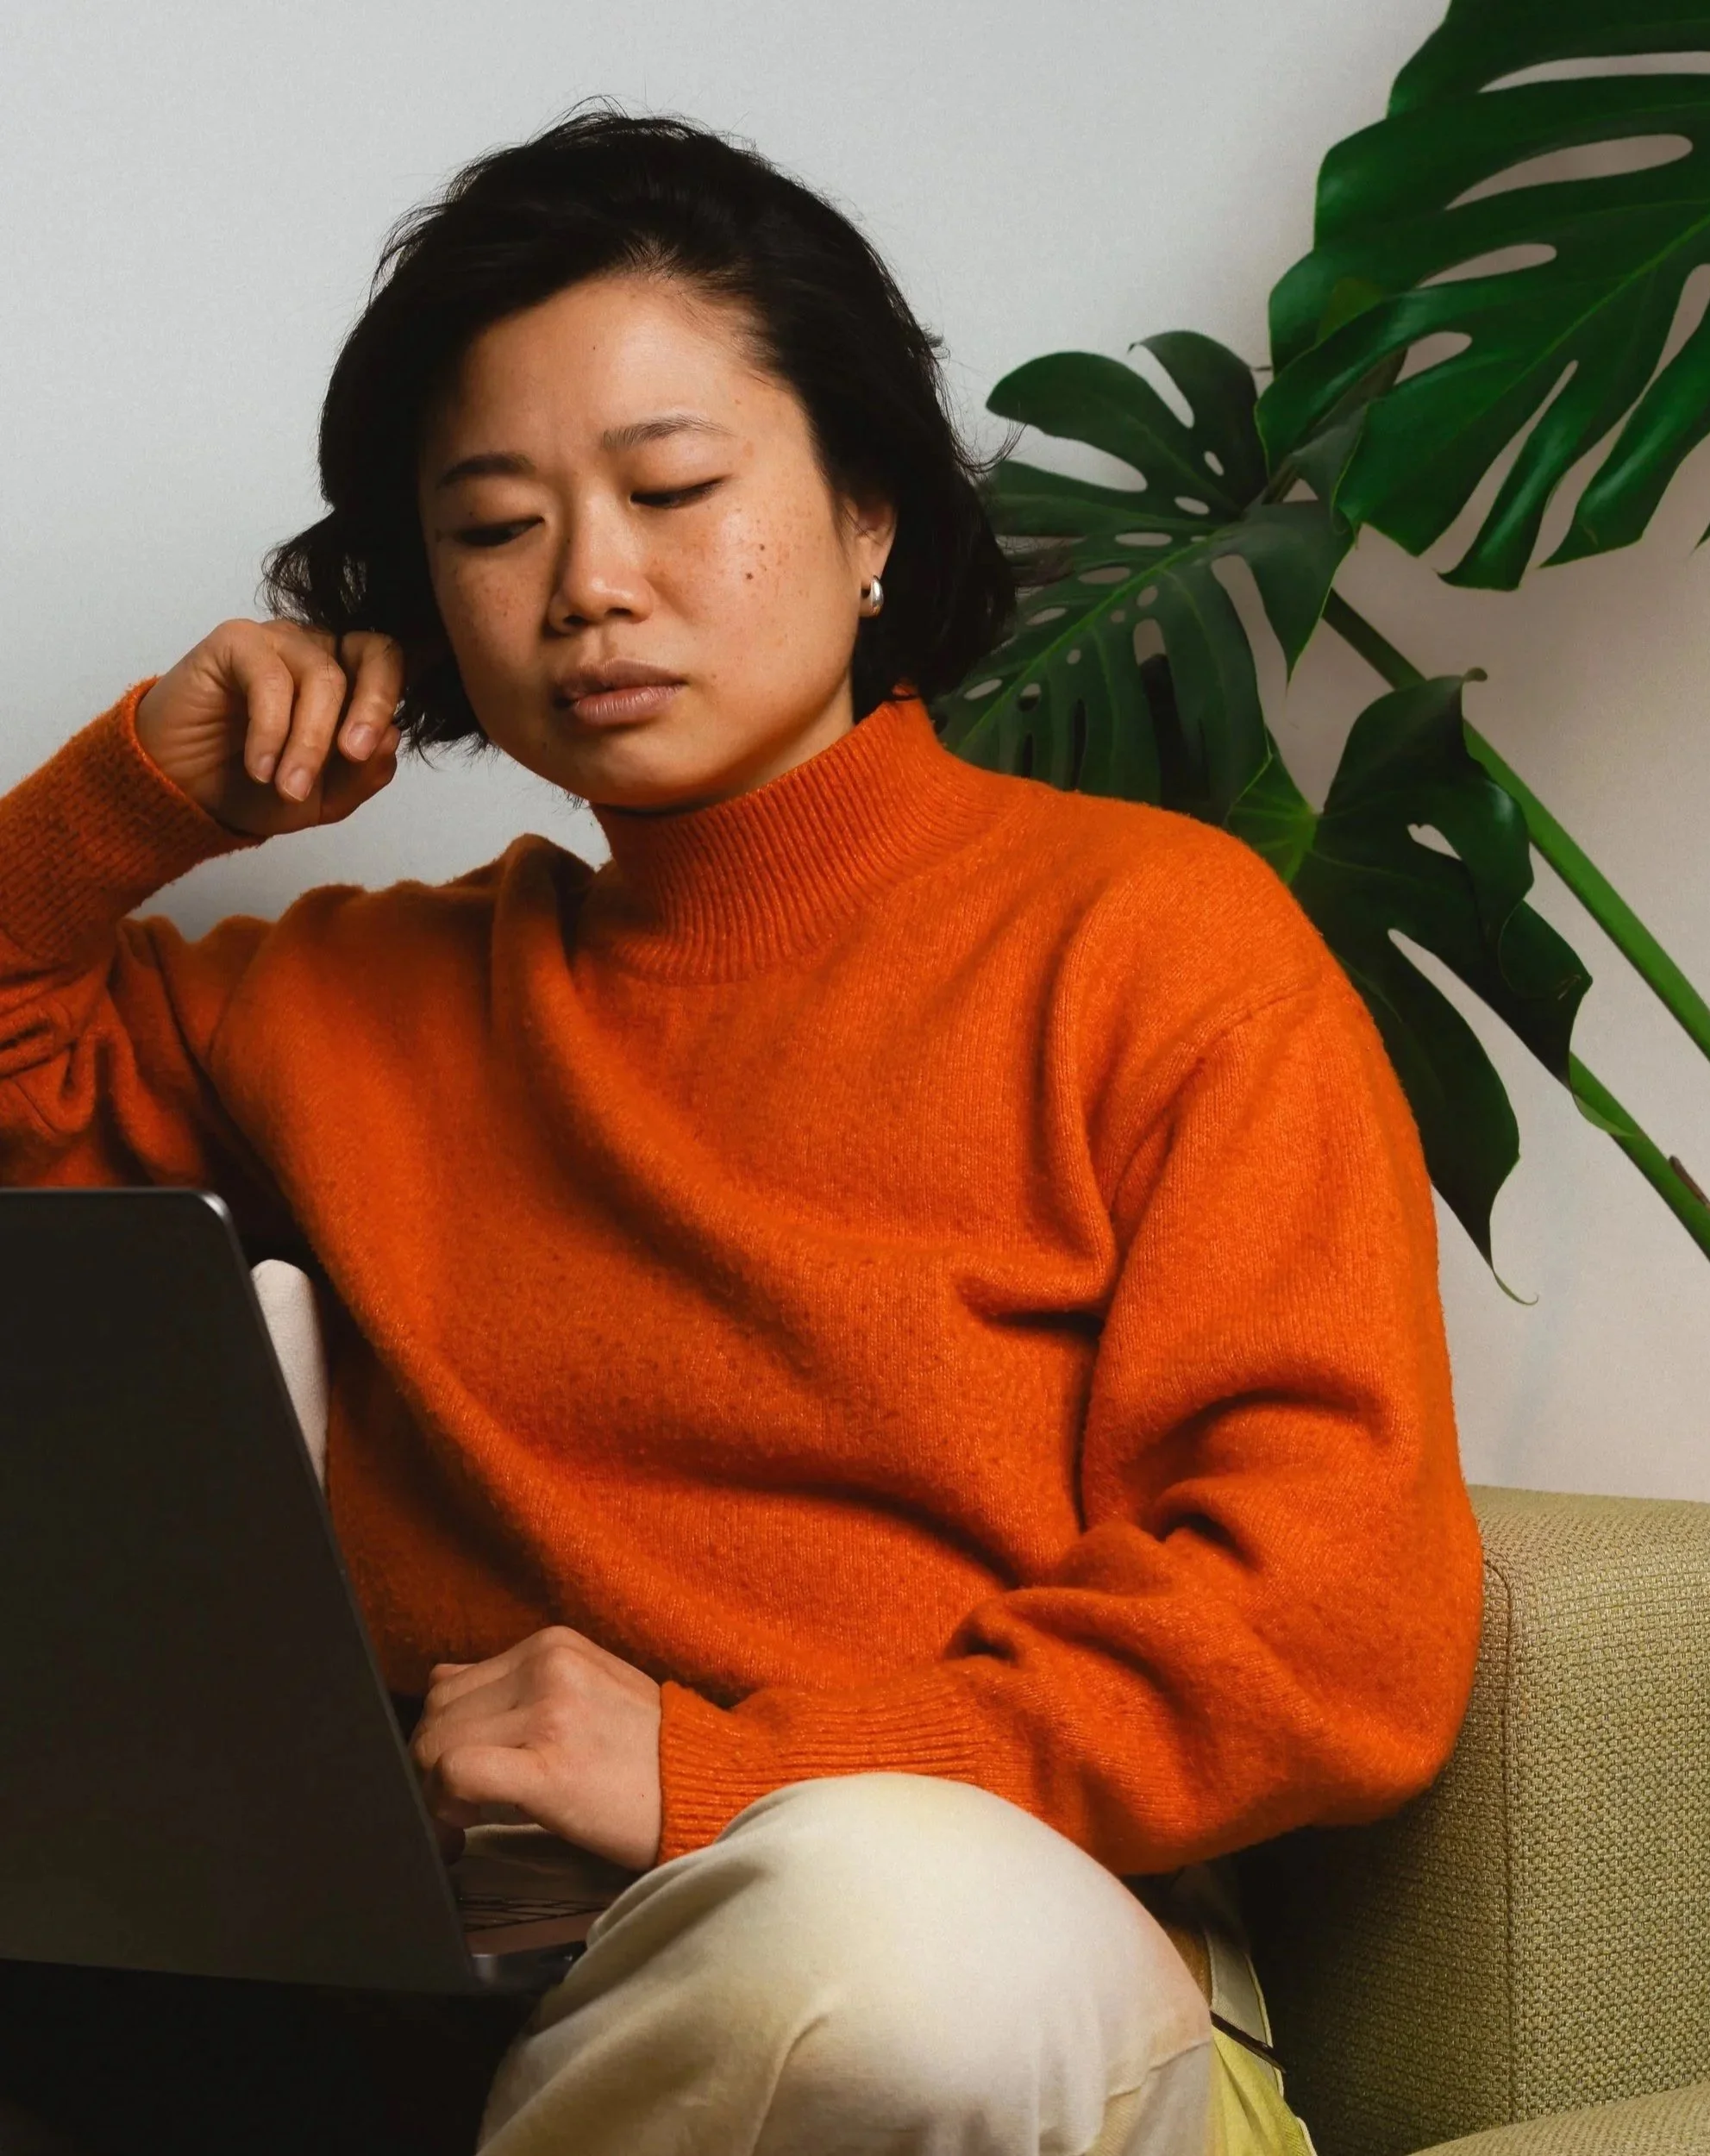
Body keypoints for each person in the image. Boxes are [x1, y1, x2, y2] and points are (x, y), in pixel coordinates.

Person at [0, 103, 1482, 2156]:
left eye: (675, 487)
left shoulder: (1153, 945)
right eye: (495, 524)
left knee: (876, 1956)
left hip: (986, 1943)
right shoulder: (343, 1000)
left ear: (872, 514)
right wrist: (129, 804)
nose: (592, 584)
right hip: (462, 1965)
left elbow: (1330, 1629)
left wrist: (717, 1775)